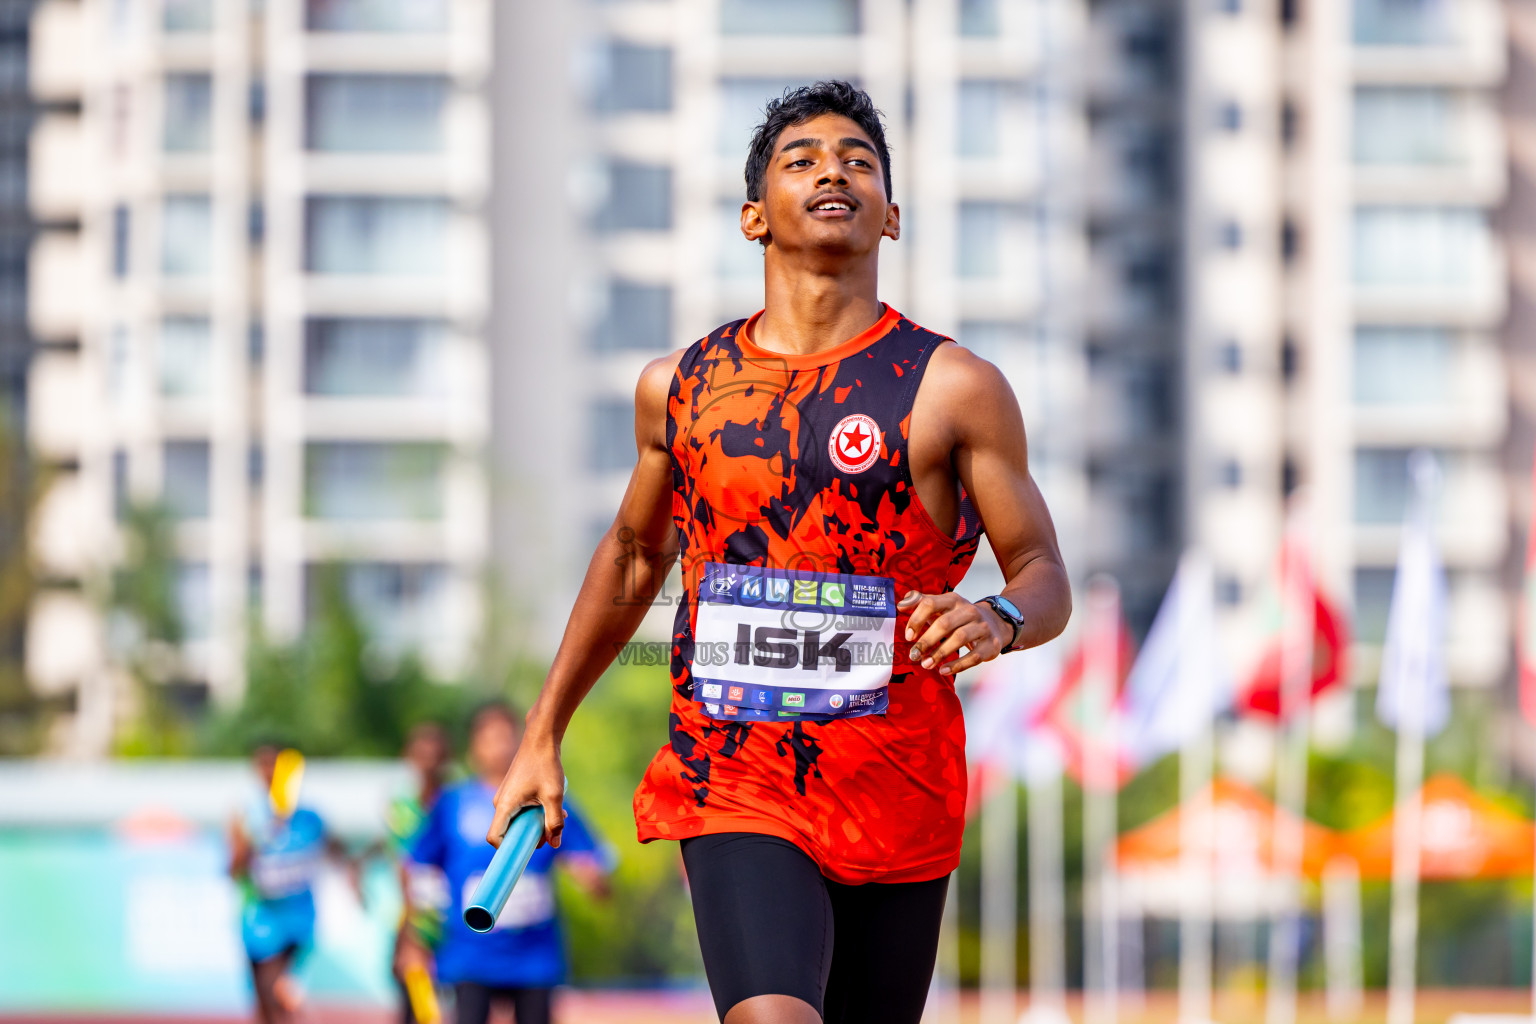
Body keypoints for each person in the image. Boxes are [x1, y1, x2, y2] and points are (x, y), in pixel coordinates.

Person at [487, 80, 1073, 1024]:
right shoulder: (682, 387)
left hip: (897, 786)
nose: (834, 170)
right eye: (802, 160)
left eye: (860, 161)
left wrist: (997, 617)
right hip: (735, 776)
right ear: (755, 216)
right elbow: (636, 556)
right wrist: (543, 730)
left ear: (891, 216)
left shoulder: (953, 388)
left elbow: (1044, 573)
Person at [406, 701, 612, 1024]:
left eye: (508, 738)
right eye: (491, 739)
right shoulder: (451, 803)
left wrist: (593, 879)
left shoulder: (548, 800)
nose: (501, 748)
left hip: (534, 957)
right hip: (470, 955)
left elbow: (591, 861)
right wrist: (417, 935)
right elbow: (418, 866)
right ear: (474, 747)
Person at [228, 741, 354, 1024]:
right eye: (263, 765)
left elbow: (339, 852)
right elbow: (233, 870)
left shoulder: (310, 818)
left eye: (276, 765)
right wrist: (257, 836)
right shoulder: (247, 816)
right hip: (259, 919)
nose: (270, 772)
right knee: (264, 1002)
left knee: (277, 993)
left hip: (299, 921)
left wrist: (356, 873)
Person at [386, 721, 453, 1024]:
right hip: (418, 918)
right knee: (416, 1008)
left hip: (456, 920)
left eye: (434, 753)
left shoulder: (459, 803)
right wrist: (409, 929)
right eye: (420, 752)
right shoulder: (401, 807)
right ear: (408, 756)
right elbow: (403, 867)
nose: (427, 761)